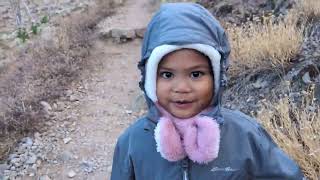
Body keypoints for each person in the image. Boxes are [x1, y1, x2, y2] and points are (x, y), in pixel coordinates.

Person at [111, 3, 304, 180]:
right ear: (150, 79)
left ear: (217, 77)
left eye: (196, 74)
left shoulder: (245, 135)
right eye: (167, 75)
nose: (182, 88)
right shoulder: (132, 142)